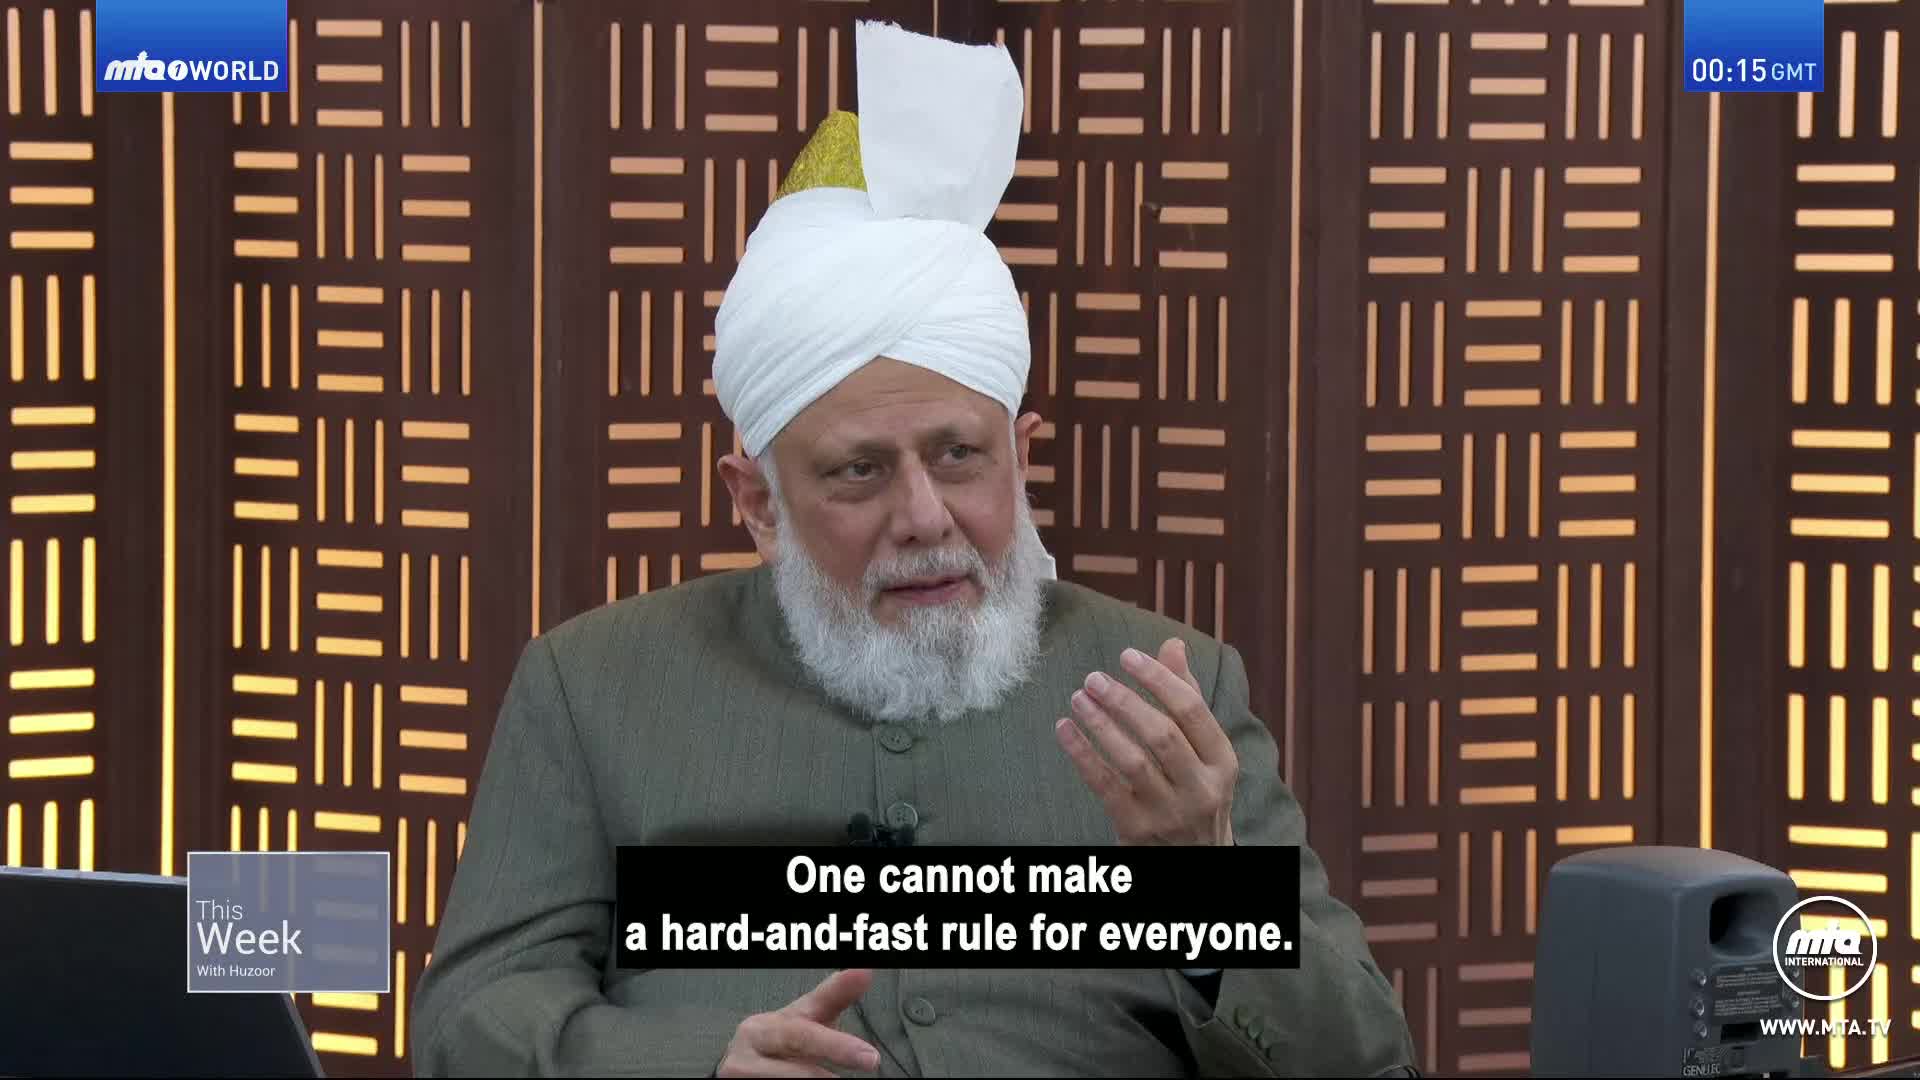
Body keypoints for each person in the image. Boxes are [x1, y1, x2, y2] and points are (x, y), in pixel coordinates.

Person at [410, 21, 1417, 1079]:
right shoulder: (594, 687)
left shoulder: (1168, 693)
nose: (927, 517)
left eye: (961, 457)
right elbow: (468, 1020)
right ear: (755, 502)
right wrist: (696, 1062)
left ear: (1022, 457)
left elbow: (1364, 1062)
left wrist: (1206, 899)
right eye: (859, 473)